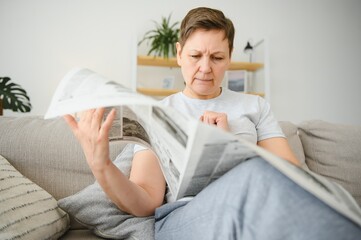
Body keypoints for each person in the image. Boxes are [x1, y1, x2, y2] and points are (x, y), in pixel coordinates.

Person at [64, 7, 361, 240]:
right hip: (184, 216)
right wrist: (100, 164)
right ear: (179, 54)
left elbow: (292, 176)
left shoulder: (254, 106)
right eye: (195, 56)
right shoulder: (160, 112)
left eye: (217, 57)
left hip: (252, 203)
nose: (205, 68)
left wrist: (228, 147)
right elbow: (145, 202)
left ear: (230, 57)